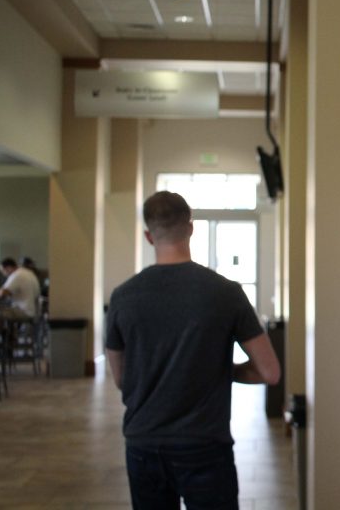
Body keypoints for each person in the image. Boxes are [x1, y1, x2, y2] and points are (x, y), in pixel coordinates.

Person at [106, 191, 280, 510]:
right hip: (205, 445)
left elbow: (120, 378)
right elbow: (269, 372)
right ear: (191, 228)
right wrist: (218, 370)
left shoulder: (122, 297)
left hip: (144, 443)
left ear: (148, 236)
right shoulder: (226, 293)